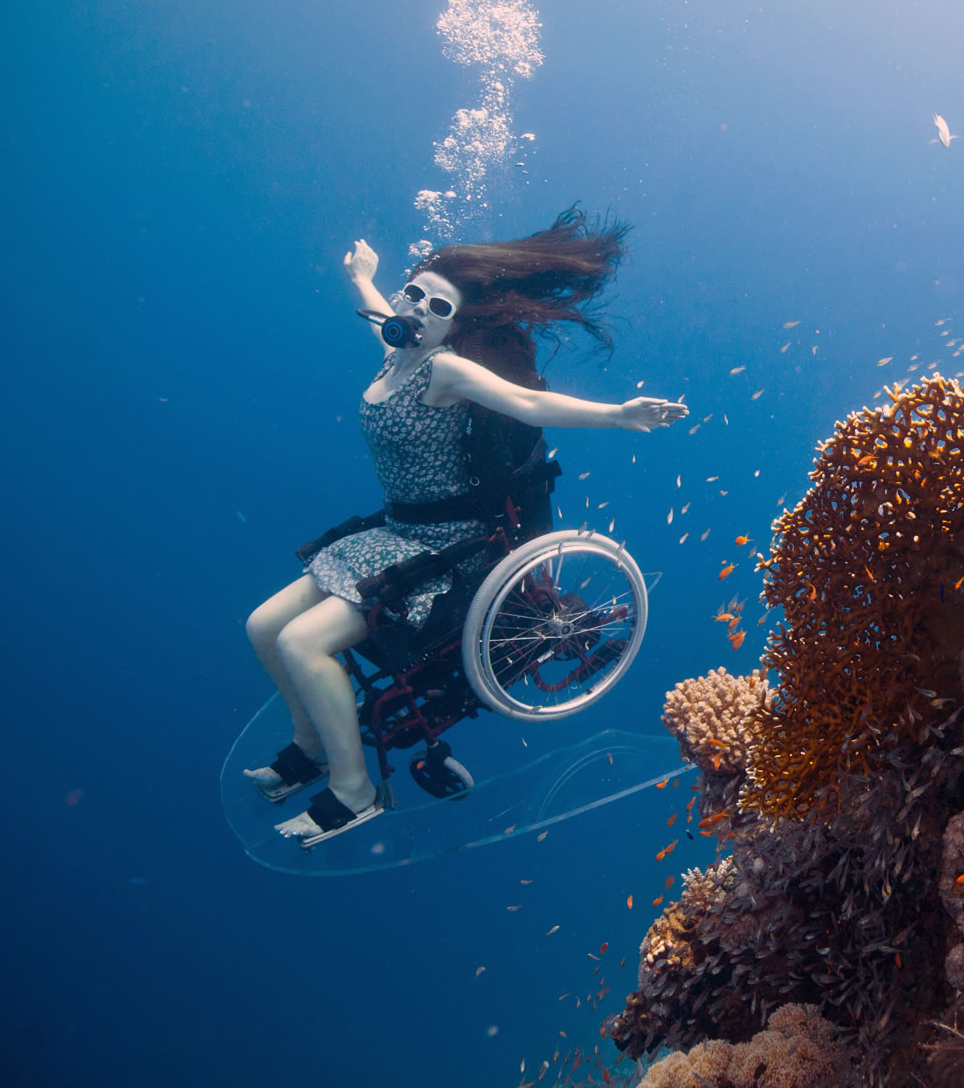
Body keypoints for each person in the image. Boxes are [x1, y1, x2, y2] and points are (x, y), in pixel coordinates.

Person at [241, 210, 687, 846]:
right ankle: (309, 747)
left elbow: (528, 402)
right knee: (262, 627)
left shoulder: (444, 369)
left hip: (445, 549)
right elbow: (383, 311)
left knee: (301, 643)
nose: (418, 310)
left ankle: (354, 791)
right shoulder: (397, 349)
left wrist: (618, 414)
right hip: (390, 532)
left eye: (437, 307)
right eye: (413, 295)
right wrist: (365, 278)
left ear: (454, 325)